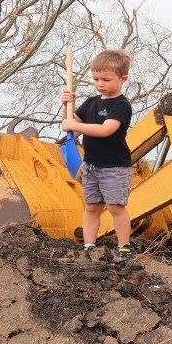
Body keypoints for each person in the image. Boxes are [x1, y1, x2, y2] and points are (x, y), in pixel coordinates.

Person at [60, 50, 135, 260]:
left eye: (106, 79)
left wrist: (75, 125)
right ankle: (89, 246)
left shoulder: (121, 105)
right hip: (91, 165)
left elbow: (105, 130)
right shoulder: (92, 102)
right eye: (95, 79)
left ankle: (124, 247)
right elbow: (69, 120)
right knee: (92, 207)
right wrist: (65, 104)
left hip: (115, 166)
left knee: (115, 206)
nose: (100, 83)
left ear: (123, 79)